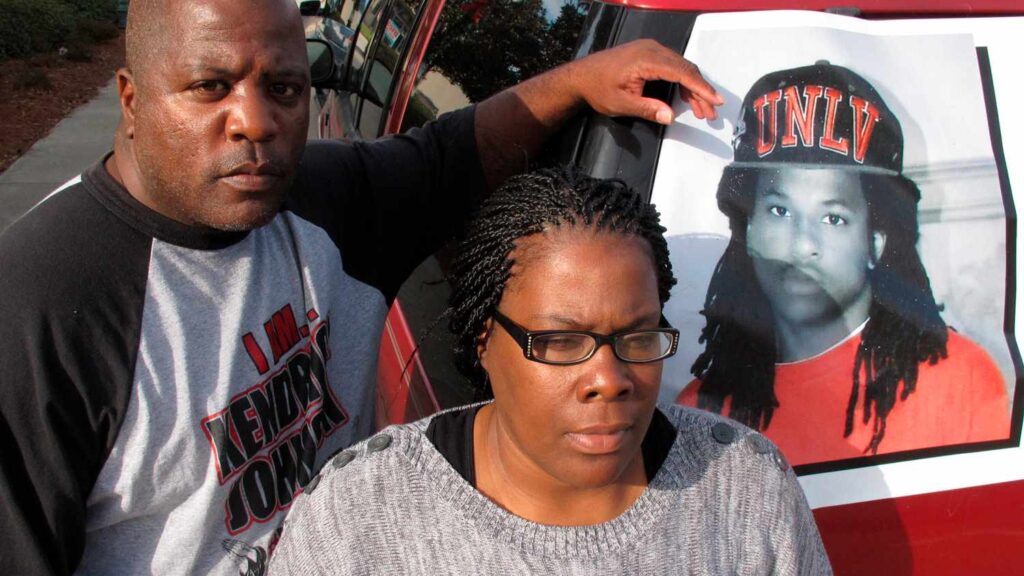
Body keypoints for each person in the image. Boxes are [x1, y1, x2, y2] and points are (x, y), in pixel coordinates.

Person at [0, 1, 724, 574]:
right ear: (130, 98)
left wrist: (578, 80)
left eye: (283, 88)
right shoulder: (42, 301)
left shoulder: (321, 203)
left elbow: (452, 153)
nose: (254, 121)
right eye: (210, 87)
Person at [266, 168, 832, 575]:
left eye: (638, 336)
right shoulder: (358, 517)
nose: (610, 379)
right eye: (561, 342)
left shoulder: (746, 489)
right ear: (484, 340)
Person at [677, 62, 1010, 466]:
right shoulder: (700, 412)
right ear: (748, 227)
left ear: (876, 239)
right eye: (780, 210)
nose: (803, 245)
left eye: (833, 218)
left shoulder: (959, 378)